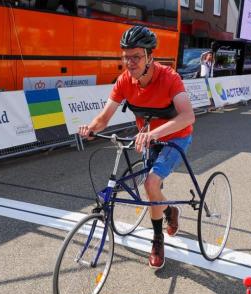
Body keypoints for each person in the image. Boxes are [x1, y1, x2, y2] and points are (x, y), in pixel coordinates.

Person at [78, 26, 195, 270]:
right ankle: (170, 210)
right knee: (152, 189)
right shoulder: (124, 81)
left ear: (150, 56)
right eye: (126, 56)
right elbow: (104, 117)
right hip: (148, 137)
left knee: (151, 184)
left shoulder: (169, 78)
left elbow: (187, 116)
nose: (129, 62)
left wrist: (152, 133)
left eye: (136, 57)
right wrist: (90, 128)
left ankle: (157, 239)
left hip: (175, 137)